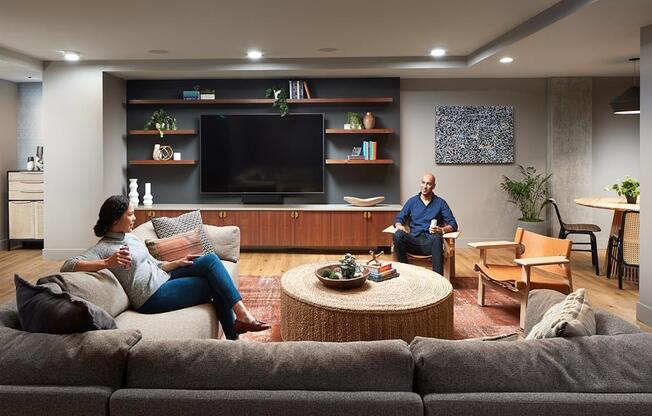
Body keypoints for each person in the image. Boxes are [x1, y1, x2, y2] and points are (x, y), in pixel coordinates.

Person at [61, 195, 269, 340]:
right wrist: (108, 263)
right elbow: (68, 265)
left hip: (163, 277)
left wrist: (177, 263)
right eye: (130, 215)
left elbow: (154, 263)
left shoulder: (130, 238)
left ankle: (241, 318)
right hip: (151, 297)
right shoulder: (104, 248)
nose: (134, 218)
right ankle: (236, 335)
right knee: (214, 285)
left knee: (210, 260)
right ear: (116, 220)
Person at [393, 172, 458, 274]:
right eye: (423, 183)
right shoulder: (412, 201)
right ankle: (404, 273)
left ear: (433, 186)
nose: (425, 186)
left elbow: (453, 224)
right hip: (413, 242)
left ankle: (438, 279)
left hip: (430, 244)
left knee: (437, 237)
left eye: (428, 184)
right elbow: (399, 218)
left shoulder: (440, 203)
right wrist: (399, 225)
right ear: (420, 183)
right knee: (398, 235)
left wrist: (442, 230)